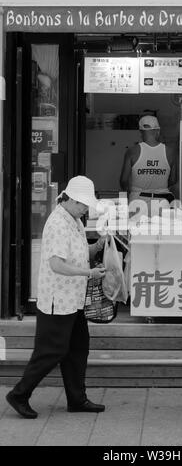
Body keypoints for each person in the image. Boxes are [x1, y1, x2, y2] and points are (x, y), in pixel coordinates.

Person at [6, 176, 107, 419]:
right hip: (57, 300)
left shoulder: (74, 219)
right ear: (70, 199)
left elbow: (78, 253)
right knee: (51, 351)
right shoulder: (58, 223)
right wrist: (89, 272)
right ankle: (19, 394)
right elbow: (57, 265)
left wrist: (98, 246)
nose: (86, 208)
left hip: (72, 298)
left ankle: (77, 399)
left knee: (77, 349)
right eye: (83, 204)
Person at [120, 115, 177, 214]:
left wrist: (132, 191)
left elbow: (123, 180)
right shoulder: (170, 152)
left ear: (141, 132)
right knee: (162, 229)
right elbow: (173, 179)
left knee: (136, 229)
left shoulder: (132, 151)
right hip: (162, 201)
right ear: (158, 131)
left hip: (137, 200)